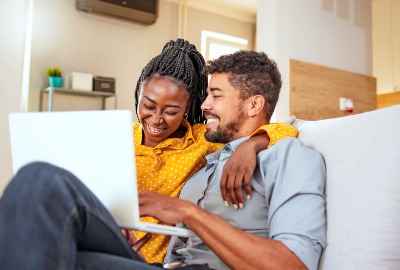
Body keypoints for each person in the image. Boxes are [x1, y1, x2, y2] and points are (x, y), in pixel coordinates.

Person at [0, 50, 325, 270]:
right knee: (41, 192)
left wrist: (186, 211)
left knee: (41, 182)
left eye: (216, 95)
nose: (204, 105)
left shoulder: (288, 156)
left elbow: (292, 264)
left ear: (254, 105)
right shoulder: (208, 166)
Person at [130, 39, 297, 263]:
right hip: (110, 241)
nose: (157, 119)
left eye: (171, 111)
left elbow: (289, 129)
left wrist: (253, 144)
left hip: (153, 260)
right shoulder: (117, 137)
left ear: (187, 107)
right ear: (138, 95)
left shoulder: (203, 140)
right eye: (148, 106)